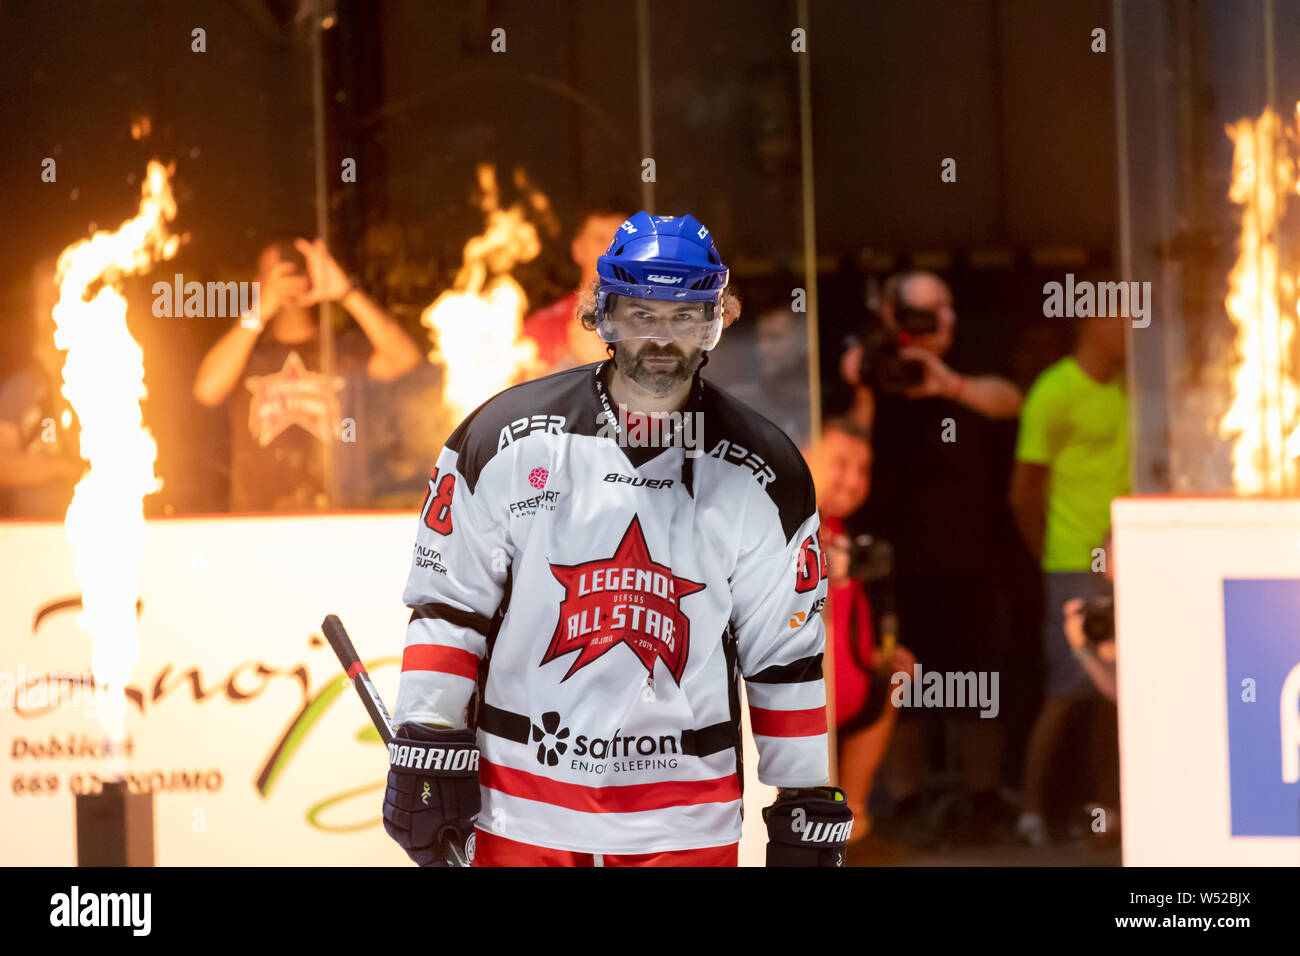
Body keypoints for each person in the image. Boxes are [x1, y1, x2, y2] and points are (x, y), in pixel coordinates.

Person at [384, 212, 852, 867]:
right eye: (642, 313)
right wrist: (426, 736)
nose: (662, 338)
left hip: (683, 821)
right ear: (602, 316)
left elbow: (785, 655)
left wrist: (805, 796)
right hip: (523, 812)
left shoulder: (763, 469)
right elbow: (451, 605)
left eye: (684, 316)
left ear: (716, 322)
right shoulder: (504, 439)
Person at [1009, 313, 1128, 845]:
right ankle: (1031, 813)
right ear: (1094, 318)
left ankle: (1107, 812)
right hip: (1072, 565)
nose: (1134, 323)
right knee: (1068, 688)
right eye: (1122, 311)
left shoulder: (1136, 383)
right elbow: (1023, 493)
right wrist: (1049, 558)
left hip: (1134, 562)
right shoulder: (1052, 392)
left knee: (1117, 693)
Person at [193, 236, 421, 511]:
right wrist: (259, 309)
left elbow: (405, 359)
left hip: (339, 524)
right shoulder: (245, 356)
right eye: (276, 273)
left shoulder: (345, 351)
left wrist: (346, 292)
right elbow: (207, 389)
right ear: (258, 285)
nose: (287, 278)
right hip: (257, 527)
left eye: (297, 268)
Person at [806, 417, 915, 858]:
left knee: (901, 669)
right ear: (803, 454)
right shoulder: (776, 520)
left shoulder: (836, 526)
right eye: (841, 464)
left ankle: (854, 818)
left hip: (848, 692)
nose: (852, 480)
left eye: (863, 469)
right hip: (798, 707)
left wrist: (878, 654)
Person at [0, 258, 81, 518]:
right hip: (35, 539)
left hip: (99, 533)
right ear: (33, 313)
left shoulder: (106, 381)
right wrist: (61, 467)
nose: (52, 310)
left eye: (59, 298)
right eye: (44, 302)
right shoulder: (21, 388)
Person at [519, 201, 629, 374]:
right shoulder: (541, 329)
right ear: (578, 250)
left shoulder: (656, 327)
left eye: (621, 242)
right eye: (600, 239)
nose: (611, 251)